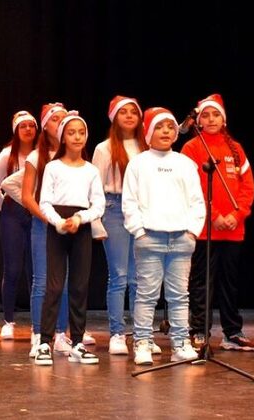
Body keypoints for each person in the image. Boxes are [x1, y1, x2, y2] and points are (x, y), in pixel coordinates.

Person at [122, 107, 203, 365]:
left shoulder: (185, 164)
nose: (166, 130)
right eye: (159, 126)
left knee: (179, 295)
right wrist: (139, 231)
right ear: (148, 132)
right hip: (150, 238)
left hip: (181, 238)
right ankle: (143, 342)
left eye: (170, 126)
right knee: (147, 294)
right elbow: (129, 201)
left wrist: (192, 231)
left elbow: (197, 201)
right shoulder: (138, 163)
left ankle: (181, 342)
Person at [180, 93, 254, 352]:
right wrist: (213, 216)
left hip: (234, 230)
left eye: (216, 115)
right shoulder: (191, 148)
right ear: (197, 121)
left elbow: (247, 186)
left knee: (230, 282)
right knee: (202, 282)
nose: (211, 119)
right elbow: (191, 189)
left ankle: (232, 332)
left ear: (223, 119)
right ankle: (199, 332)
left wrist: (237, 215)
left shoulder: (235, 148)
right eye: (205, 115)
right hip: (205, 230)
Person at [34, 112, 104, 366]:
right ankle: (44, 342)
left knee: (79, 286)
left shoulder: (91, 170)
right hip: (58, 227)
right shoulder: (53, 167)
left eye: (81, 132)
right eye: (71, 132)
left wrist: (80, 219)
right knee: (53, 285)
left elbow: (98, 204)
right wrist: (59, 223)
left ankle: (76, 342)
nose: (77, 137)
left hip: (81, 227)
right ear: (63, 137)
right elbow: (44, 202)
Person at [92, 95, 148, 355]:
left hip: (141, 210)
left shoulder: (147, 147)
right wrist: (97, 221)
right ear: (114, 117)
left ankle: (141, 334)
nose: (128, 116)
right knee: (119, 276)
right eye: (123, 112)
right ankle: (117, 332)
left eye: (133, 112)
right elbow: (94, 188)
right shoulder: (104, 149)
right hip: (114, 209)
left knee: (140, 278)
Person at [20, 103, 73, 358]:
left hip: (68, 225)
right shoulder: (35, 157)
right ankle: (39, 332)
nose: (60, 123)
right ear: (46, 126)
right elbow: (27, 196)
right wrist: (49, 219)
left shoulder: (72, 155)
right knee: (43, 280)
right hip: (44, 225)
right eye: (55, 120)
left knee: (62, 280)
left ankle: (61, 333)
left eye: (65, 119)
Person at [0, 110, 36, 340]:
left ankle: (39, 321)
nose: (28, 129)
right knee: (13, 267)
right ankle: (8, 320)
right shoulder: (7, 155)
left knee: (35, 269)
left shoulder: (40, 155)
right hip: (12, 215)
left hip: (36, 213)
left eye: (31, 126)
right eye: (23, 126)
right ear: (16, 130)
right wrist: (6, 207)